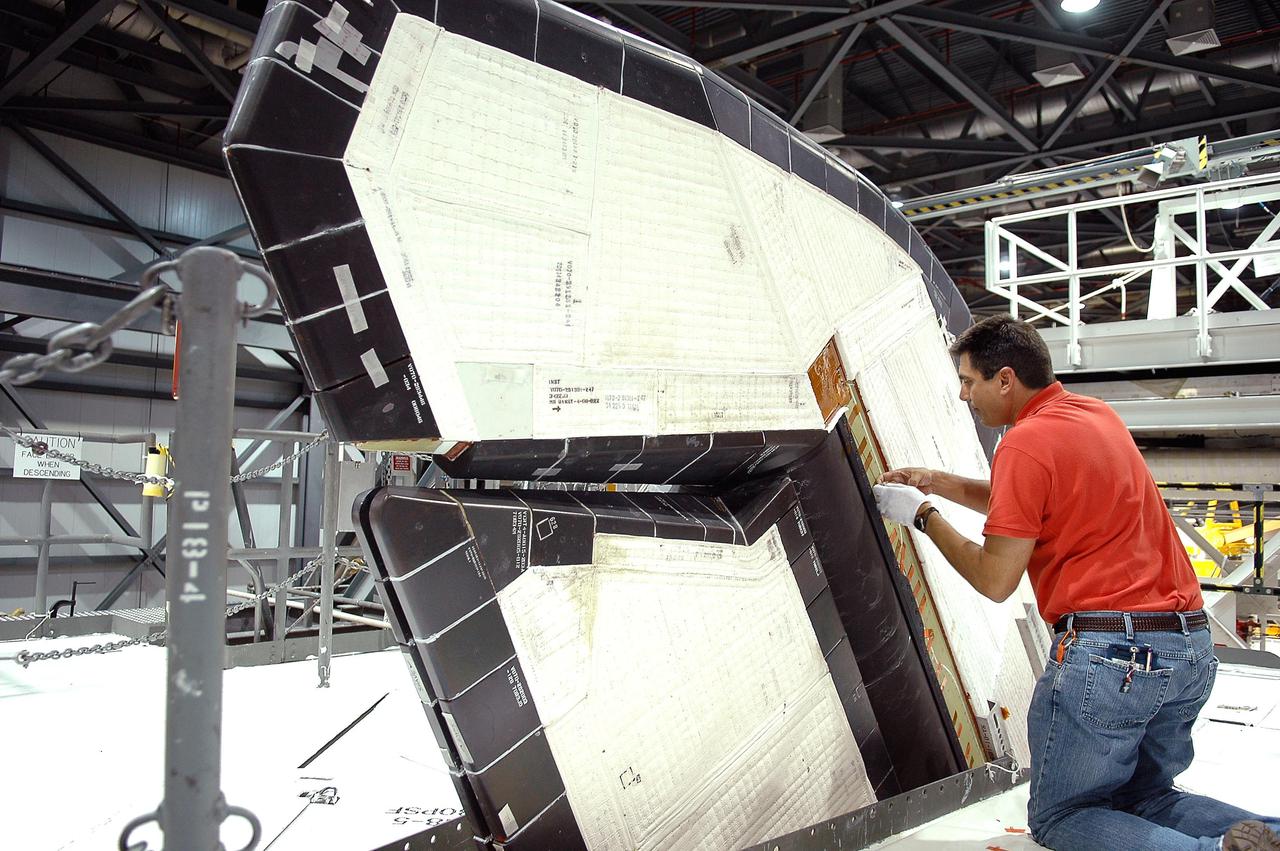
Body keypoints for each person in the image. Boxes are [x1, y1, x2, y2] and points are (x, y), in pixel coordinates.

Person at [872, 315, 1280, 851]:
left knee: (1063, 816)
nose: (964, 395)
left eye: (969, 381)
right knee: (1149, 796)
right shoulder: (1095, 416)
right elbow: (1032, 501)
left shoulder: (1021, 443)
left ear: (1005, 379)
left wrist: (923, 514)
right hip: (1189, 648)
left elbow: (996, 579)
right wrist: (939, 482)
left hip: (1114, 658)